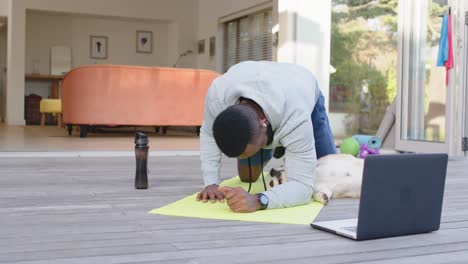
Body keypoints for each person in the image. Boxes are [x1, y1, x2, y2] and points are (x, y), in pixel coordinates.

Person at [196, 61, 336, 212]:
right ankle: (278, 147)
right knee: (247, 178)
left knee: (329, 173)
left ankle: (284, 145)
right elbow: (208, 134)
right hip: (266, 108)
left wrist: (259, 200)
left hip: (300, 89)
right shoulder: (217, 98)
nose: (242, 157)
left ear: (263, 125)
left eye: (249, 151)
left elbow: (303, 187)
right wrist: (211, 183)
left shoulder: (296, 116)